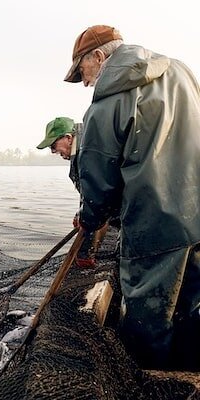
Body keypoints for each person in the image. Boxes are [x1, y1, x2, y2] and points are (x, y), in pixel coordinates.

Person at [64, 24, 200, 370]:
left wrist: (92, 219)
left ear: (99, 57)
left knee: (146, 323)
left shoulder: (108, 100)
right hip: (197, 219)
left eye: (82, 71)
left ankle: (148, 384)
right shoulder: (181, 71)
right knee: (193, 310)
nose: (85, 82)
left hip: (153, 227)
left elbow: (98, 178)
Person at [36, 116, 105, 268]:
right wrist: (80, 213)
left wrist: (85, 217)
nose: (53, 151)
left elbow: (98, 194)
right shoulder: (80, 152)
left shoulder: (87, 153)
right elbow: (88, 193)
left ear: (68, 138)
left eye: (54, 145)